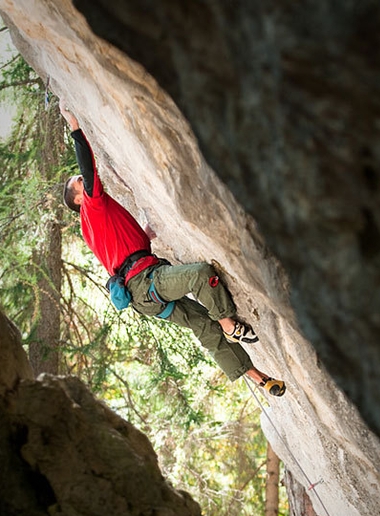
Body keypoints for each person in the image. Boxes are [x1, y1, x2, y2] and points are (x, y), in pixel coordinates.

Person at [59, 98, 285, 397]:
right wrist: (74, 126)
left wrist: (146, 234)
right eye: (80, 185)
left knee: (205, 328)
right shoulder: (92, 208)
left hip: (145, 293)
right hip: (146, 283)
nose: (86, 184)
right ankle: (230, 324)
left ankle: (261, 380)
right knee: (202, 275)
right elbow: (88, 171)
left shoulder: (96, 226)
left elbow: (125, 250)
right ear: (79, 199)